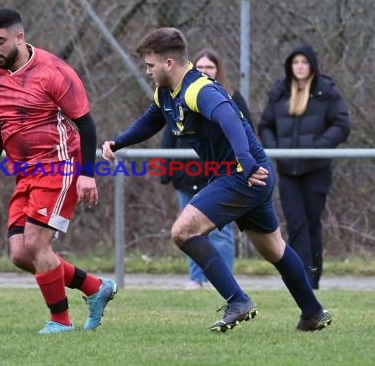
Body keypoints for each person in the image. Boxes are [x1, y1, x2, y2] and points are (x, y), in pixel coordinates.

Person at [102, 27, 332, 332]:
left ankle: (238, 300)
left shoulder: (199, 89)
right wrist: (117, 142)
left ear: (169, 63)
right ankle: (313, 312)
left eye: (150, 65)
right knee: (273, 248)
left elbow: (229, 117)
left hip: (242, 173)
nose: (147, 70)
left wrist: (246, 161)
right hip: (246, 174)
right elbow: (151, 121)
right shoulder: (166, 92)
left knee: (183, 231)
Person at [0, 8, 116, 335]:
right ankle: (95, 287)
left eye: (0, 41)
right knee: (21, 253)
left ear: (20, 37)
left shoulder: (53, 72)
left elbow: (86, 123)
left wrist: (87, 173)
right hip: (24, 172)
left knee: (36, 244)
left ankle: (60, 322)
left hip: (59, 166)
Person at [258, 44, 351, 289]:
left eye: (304, 62)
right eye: (295, 62)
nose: (299, 66)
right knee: (295, 223)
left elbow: (342, 124)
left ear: (312, 65)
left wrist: (319, 146)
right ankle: (303, 279)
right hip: (288, 171)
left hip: (316, 170)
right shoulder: (279, 91)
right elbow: (265, 124)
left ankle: (313, 276)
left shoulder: (326, 92)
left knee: (312, 223)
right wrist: (275, 149)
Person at [160, 48, 252, 289]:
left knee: (220, 231)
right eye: (199, 67)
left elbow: (245, 131)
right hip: (185, 174)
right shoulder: (179, 96)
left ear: (217, 70)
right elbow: (169, 134)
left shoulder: (228, 96)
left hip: (218, 175)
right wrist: (166, 169)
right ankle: (196, 278)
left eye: (209, 67)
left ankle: (223, 281)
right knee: (187, 229)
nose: (204, 71)